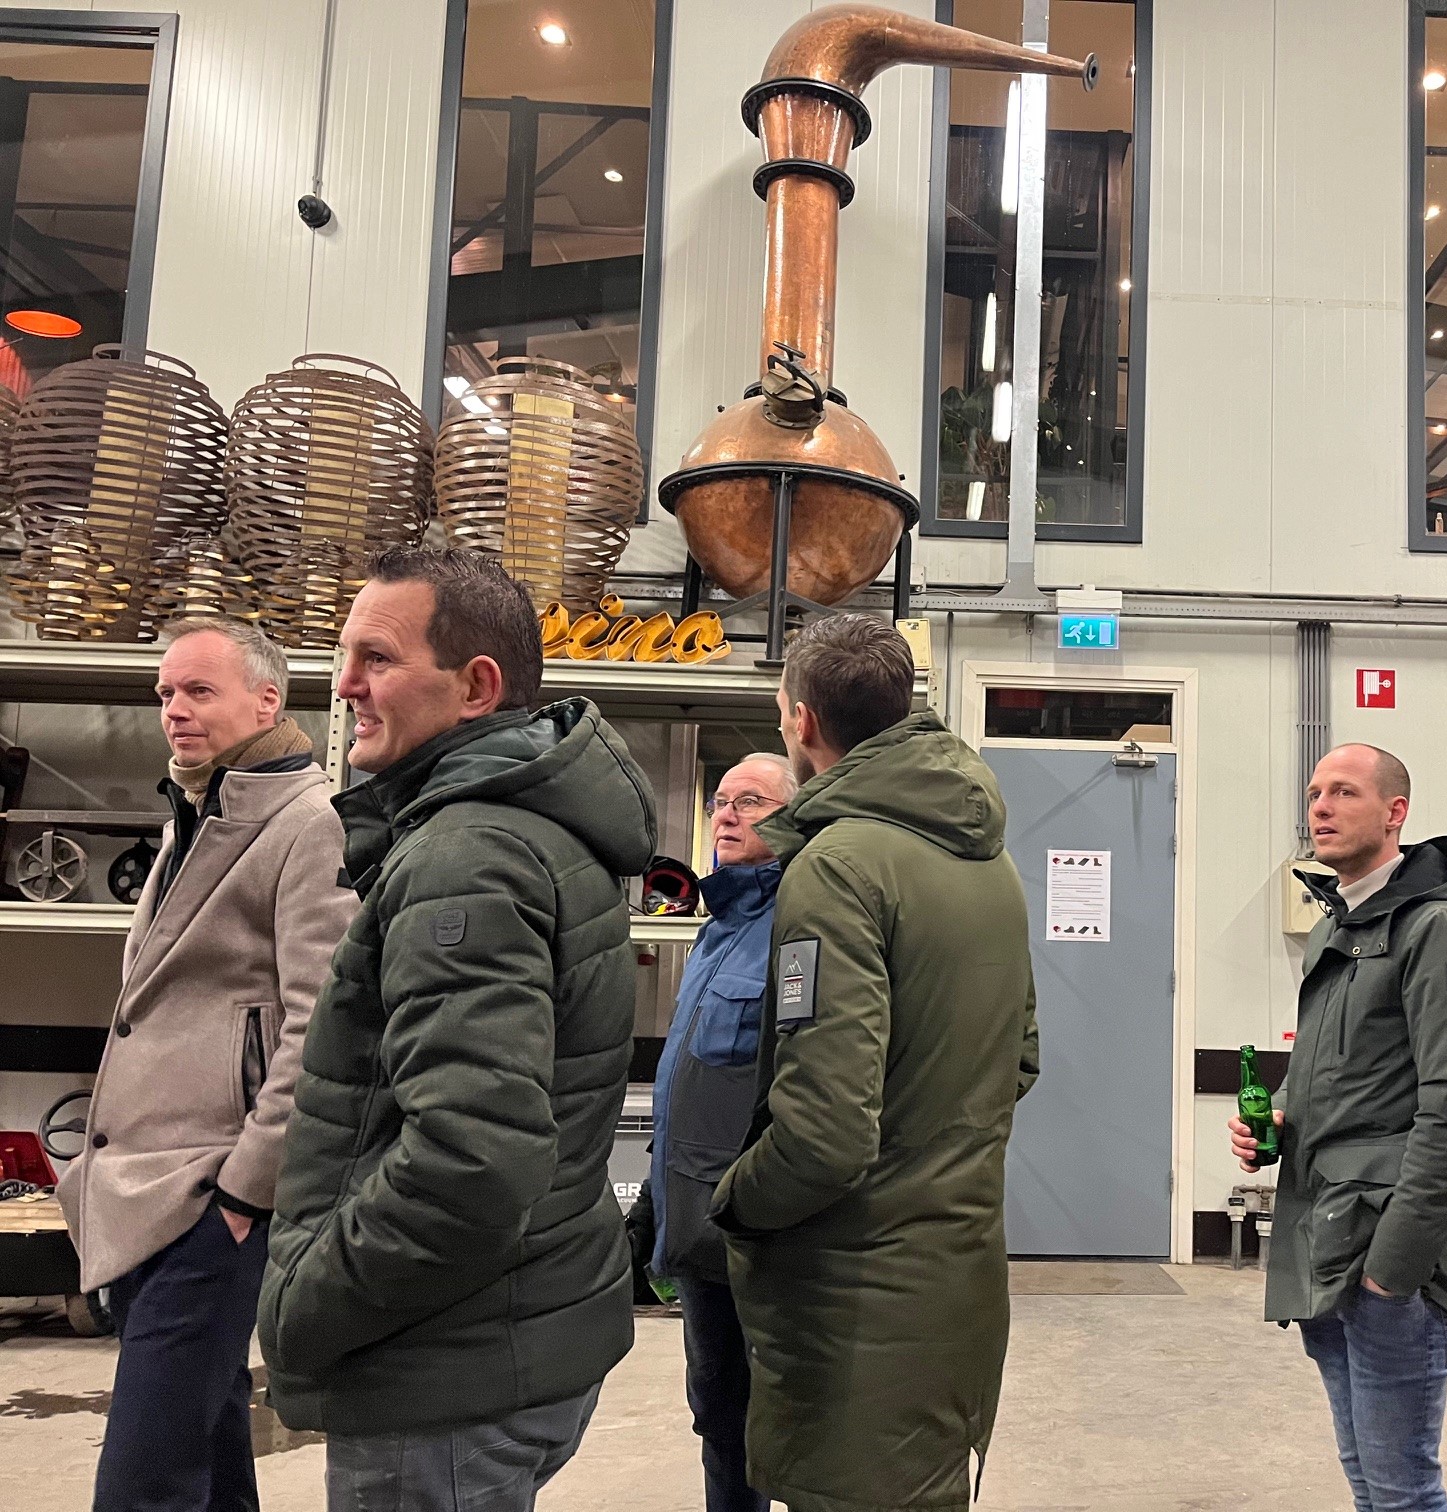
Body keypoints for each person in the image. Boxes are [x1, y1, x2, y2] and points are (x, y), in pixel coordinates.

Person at [257, 548, 657, 1512]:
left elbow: (473, 1160)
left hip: (441, 1373)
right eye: (346, 656)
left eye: (378, 659)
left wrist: (309, 1303)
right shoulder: (522, 831)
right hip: (505, 1334)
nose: (344, 686)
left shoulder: (466, 857)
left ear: (477, 687)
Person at [710, 614, 1038, 1512]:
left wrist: (733, 1202)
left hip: (856, 1305)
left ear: (802, 721)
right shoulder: (991, 862)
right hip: (959, 1276)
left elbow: (825, 1136)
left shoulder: (837, 866)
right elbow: (1018, 1060)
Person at [55, 617, 352, 1512]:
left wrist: (242, 1194)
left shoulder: (307, 823)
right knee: (209, 1457)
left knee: (142, 1480)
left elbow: (318, 1025)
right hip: (143, 1190)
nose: (174, 710)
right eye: (164, 694)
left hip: (209, 1198)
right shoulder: (195, 815)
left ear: (267, 700)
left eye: (198, 691)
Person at [1231, 743, 1447, 1512]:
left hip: (1389, 1257)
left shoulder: (1439, 929)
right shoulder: (1337, 929)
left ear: (1395, 813)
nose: (1321, 806)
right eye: (1315, 793)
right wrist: (1280, 1113)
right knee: (1367, 1475)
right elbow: (1336, 1069)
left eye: (1345, 791)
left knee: (1401, 1486)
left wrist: (1394, 1269)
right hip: (1324, 1236)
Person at [651, 752, 798, 1512]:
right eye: (720, 801)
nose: (727, 815)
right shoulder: (721, 927)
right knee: (718, 1415)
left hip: (757, 1239)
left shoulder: (797, 927)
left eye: (751, 801)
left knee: (773, 1428)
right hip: (698, 1233)